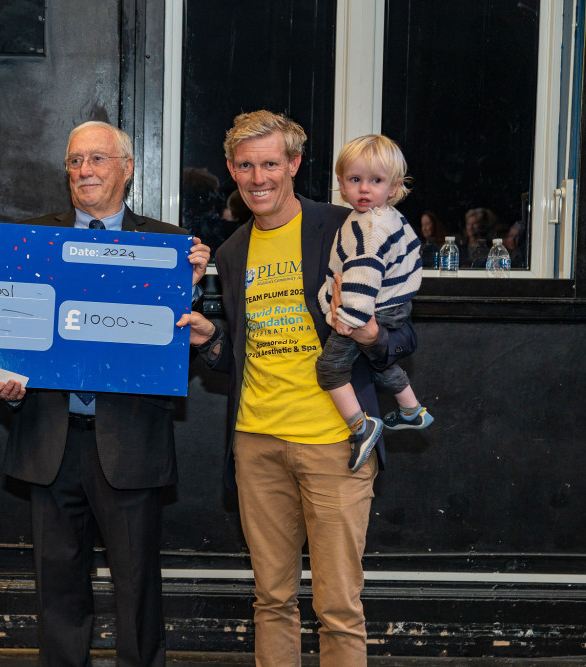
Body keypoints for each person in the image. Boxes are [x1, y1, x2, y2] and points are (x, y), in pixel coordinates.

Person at [176, 111, 416, 666]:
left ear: (294, 165)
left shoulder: (345, 225)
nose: (258, 178)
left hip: (336, 443)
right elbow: (232, 354)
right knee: (271, 599)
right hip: (256, 442)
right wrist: (212, 339)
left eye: (270, 164)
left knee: (337, 606)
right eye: (246, 166)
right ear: (232, 171)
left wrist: (374, 331)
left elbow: (403, 336)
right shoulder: (233, 250)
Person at [0, 120, 209, 666]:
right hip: (49, 441)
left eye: (98, 159)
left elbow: (185, 344)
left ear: (127, 168)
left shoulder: (170, 248)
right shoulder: (29, 241)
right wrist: (6, 381)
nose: (84, 171)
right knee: (57, 595)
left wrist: (192, 292)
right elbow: (4, 334)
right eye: (74, 161)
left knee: (138, 595)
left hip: (130, 445)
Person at [316, 134, 432, 472]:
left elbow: (364, 276)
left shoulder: (370, 227)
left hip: (368, 308)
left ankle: (361, 427)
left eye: (376, 181)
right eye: (355, 180)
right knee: (379, 362)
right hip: (395, 305)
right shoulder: (389, 216)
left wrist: (346, 319)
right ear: (341, 183)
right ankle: (412, 410)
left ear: (394, 187)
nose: (364, 189)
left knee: (329, 369)